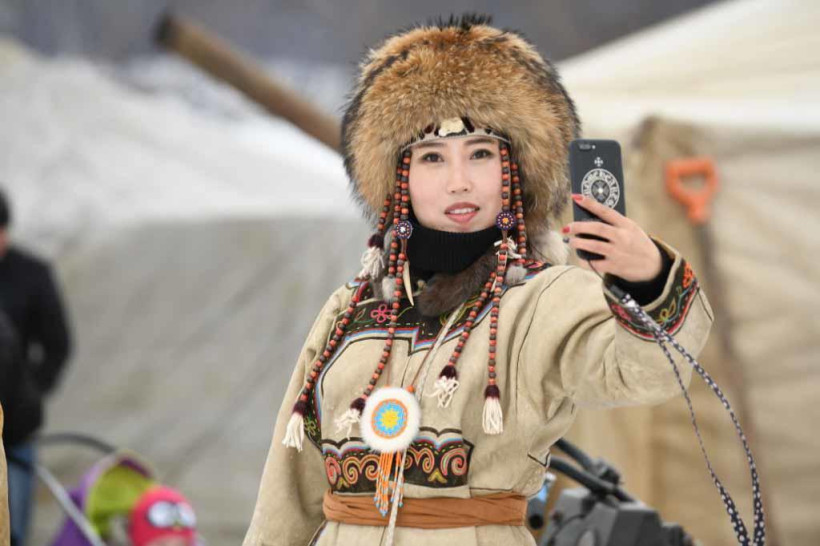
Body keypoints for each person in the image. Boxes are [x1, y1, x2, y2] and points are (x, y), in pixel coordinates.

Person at [243, 15, 712, 546]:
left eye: (481, 154)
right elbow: (289, 491)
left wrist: (647, 278)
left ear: (516, 170)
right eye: (432, 158)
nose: (459, 181)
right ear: (400, 178)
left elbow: (646, 373)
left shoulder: (544, 299)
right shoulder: (349, 311)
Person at [0, 187, 73, 546]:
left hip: (15, 426)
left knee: (12, 525)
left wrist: (31, 390)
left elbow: (58, 344)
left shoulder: (32, 274)